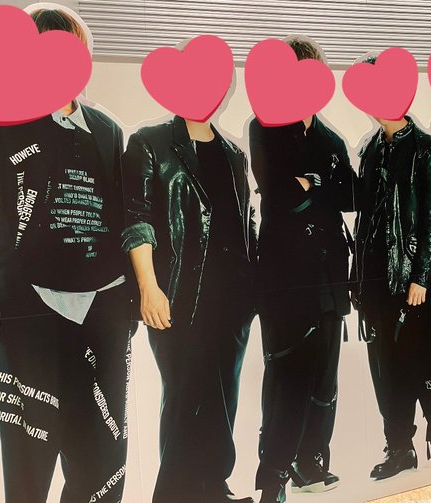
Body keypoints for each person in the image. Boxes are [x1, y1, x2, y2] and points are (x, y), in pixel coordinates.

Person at [0, 8, 132, 502]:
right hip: (30, 308)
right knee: (28, 459)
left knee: (103, 458)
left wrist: (124, 304)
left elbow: (121, 215)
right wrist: (11, 292)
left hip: (103, 312)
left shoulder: (106, 129)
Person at [120, 51, 257, 502]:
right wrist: (149, 287)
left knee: (223, 395)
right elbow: (136, 218)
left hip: (232, 298)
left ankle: (213, 486)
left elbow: (245, 224)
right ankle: (175, 494)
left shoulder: (234, 154)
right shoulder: (150, 143)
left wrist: (254, 289)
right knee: (185, 395)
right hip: (177, 294)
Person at [250, 35, 357, 503]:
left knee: (324, 381)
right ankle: (272, 476)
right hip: (284, 280)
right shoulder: (264, 127)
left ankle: (312, 464)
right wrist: (320, 185)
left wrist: (310, 185)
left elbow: (351, 196)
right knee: (287, 377)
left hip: (330, 276)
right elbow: (278, 193)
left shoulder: (332, 140)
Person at [351, 52, 431, 477]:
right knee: (387, 371)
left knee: (424, 361)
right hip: (374, 280)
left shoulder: (426, 148)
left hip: (411, 280)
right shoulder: (369, 149)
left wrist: (421, 277)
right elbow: (364, 218)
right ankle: (399, 448)